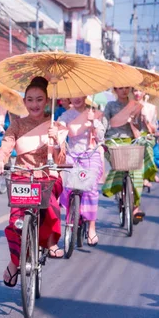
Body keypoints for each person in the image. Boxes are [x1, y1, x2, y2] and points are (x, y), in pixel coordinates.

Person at [0, 76, 68, 286]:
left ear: (46, 101)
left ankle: (49, 241)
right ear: (25, 102)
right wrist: (0, 160)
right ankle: (15, 262)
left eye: (39, 99)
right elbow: (6, 146)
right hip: (22, 177)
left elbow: (61, 160)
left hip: (47, 177)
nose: (34, 104)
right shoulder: (16, 125)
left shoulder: (56, 125)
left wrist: (56, 142)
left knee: (51, 208)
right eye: (30, 99)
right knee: (15, 223)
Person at [58, 96, 105, 246]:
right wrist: (57, 131)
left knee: (90, 189)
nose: (77, 98)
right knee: (66, 186)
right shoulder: (66, 115)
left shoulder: (94, 113)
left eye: (81, 94)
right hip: (72, 155)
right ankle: (73, 215)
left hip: (91, 156)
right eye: (74, 94)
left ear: (86, 96)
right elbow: (62, 131)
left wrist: (93, 123)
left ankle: (92, 228)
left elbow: (101, 137)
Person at [101, 86, 148, 224]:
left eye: (126, 88)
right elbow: (104, 124)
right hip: (113, 142)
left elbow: (140, 128)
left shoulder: (135, 106)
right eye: (120, 88)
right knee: (118, 165)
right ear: (115, 90)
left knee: (138, 171)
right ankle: (118, 189)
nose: (124, 90)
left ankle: (135, 206)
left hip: (131, 141)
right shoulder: (110, 106)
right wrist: (100, 138)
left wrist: (136, 120)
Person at [131, 88, 159, 186]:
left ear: (145, 92)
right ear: (132, 92)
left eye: (140, 90)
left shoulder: (151, 108)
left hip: (147, 136)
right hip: (132, 136)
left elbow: (153, 129)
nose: (138, 93)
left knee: (148, 148)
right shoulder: (129, 106)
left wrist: (146, 120)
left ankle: (148, 175)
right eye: (135, 90)